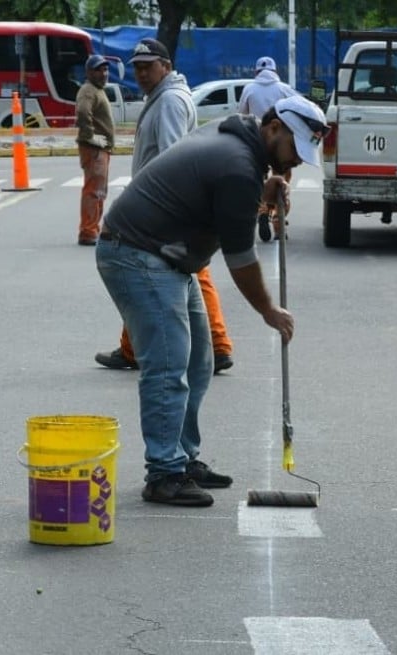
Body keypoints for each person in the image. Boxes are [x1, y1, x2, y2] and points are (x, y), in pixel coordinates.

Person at [95, 95, 328, 506]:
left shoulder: (241, 145)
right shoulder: (238, 165)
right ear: (274, 128)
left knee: (199, 362)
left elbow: (214, 194)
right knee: (168, 365)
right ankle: (164, 473)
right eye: (295, 148)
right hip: (137, 253)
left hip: (166, 256)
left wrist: (261, 191)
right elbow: (241, 258)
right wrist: (268, 310)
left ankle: (182, 458)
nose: (295, 161)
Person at [94, 37, 236, 374]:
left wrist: (160, 206)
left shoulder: (170, 101)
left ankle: (217, 345)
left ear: (166, 67)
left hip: (161, 206)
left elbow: (172, 156)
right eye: (137, 68)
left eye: (148, 67)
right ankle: (133, 348)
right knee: (147, 272)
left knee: (186, 273)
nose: (141, 74)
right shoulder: (163, 97)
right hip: (158, 204)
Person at [239, 56, 300, 241]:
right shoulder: (285, 89)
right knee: (281, 183)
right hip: (280, 145)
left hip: (257, 142)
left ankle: (263, 209)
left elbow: (242, 115)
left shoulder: (249, 89)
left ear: (256, 72)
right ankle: (278, 222)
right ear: (275, 72)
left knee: (260, 182)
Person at [75, 54, 115, 246]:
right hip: (94, 149)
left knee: (99, 190)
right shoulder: (88, 90)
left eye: (105, 69)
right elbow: (83, 112)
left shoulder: (96, 90)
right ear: (89, 72)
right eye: (98, 70)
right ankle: (88, 231)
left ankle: (92, 229)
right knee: (94, 191)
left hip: (100, 148)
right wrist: (90, 136)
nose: (103, 73)